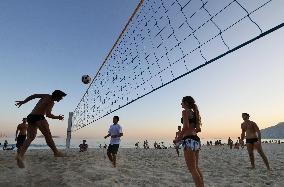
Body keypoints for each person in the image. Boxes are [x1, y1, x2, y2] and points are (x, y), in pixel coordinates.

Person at [15, 90, 67, 168]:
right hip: (39, 117)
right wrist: (58, 117)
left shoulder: (46, 95)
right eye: (61, 97)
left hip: (30, 116)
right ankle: (56, 152)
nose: (61, 99)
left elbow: (34, 95)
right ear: (57, 96)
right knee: (48, 136)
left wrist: (24, 101)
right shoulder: (51, 102)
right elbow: (48, 115)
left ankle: (20, 155)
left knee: (30, 138)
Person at [173, 96, 204, 187]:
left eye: (182, 102)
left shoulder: (185, 111)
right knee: (196, 168)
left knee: (192, 169)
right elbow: (198, 129)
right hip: (196, 140)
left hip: (189, 140)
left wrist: (178, 138)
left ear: (186, 103)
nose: (181, 104)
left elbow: (185, 126)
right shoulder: (195, 113)